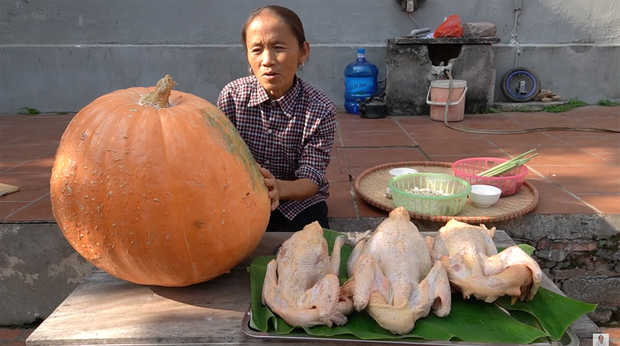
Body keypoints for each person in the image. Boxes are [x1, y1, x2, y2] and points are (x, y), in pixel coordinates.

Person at [217, 5, 337, 232]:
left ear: (303, 52)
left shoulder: (320, 110)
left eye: (278, 47)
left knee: (314, 247)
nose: (267, 60)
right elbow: (220, 160)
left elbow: (310, 181)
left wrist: (278, 189)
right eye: (256, 50)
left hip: (300, 202)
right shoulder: (232, 97)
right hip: (244, 198)